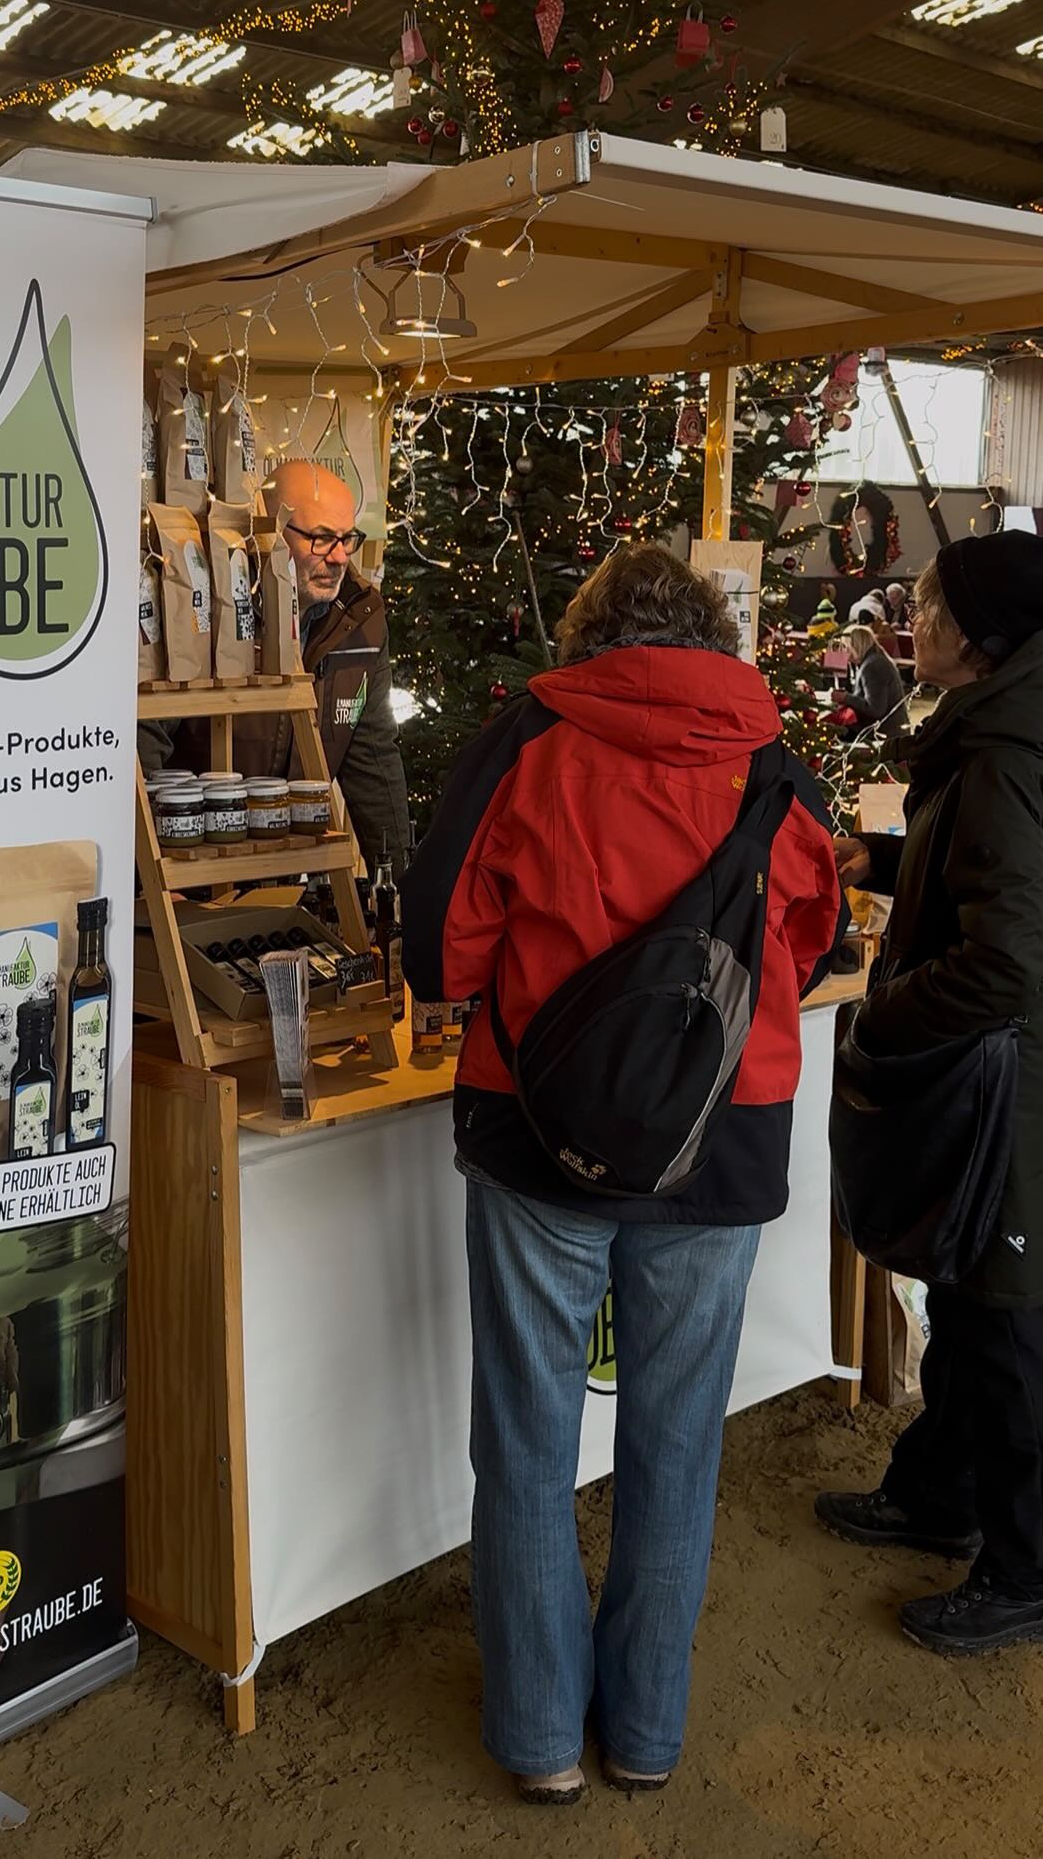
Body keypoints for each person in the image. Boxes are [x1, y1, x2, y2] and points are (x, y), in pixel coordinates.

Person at [401, 545, 843, 1805]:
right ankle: (645, 1730)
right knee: (678, 1439)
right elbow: (811, 940)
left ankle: (541, 1734)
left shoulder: (532, 736)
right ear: (715, 632)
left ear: (595, 631)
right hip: (725, 1139)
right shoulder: (775, 760)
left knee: (530, 1439)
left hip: (538, 1135)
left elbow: (439, 943)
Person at [818, 531, 1043, 1657]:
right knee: (968, 1296)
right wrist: (892, 858)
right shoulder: (995, 733)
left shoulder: (1005, 754)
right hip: (999, 1080)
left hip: (1013, 1092)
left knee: (1006, 1321)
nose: (918, 617)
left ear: (985, 638)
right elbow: (986, 876)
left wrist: (883, 1014)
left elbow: (1009, 956)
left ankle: (1023, 1565)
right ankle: (937, 1492)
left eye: (935, 604)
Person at [141, 459, 410, 874]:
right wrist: (144, 872)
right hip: (192, 872)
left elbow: (375, 763)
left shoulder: (362, 617)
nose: (339, 557)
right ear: (266, 532)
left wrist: (397, 885)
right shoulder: (211, 606)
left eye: (347, 538)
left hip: (291, 875)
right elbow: (145, 743)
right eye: (320, 539)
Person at [834, 623, 907, 735]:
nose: (843, 651)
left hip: (883, 733)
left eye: (845, 646)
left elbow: (875, 709)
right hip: (882, 729)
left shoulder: (873, 666)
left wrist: (846, 698)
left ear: (855, 646)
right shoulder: (872, 660)